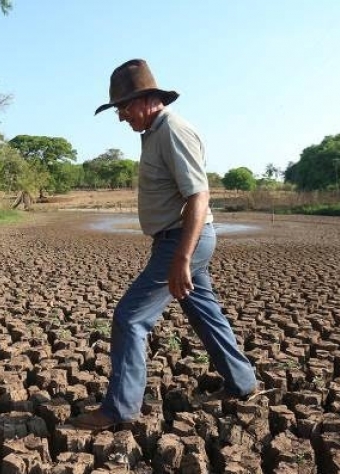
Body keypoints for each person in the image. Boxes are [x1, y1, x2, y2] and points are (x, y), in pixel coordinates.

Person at [69, 59, 259, 430]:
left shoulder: (172, 129)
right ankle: (242, 383)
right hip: (174, 240)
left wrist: (182, 257)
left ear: (147, 100)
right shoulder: (154, 132)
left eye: (123, 107)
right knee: (204, 312)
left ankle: (118, 411)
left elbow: (199, 196)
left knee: (130, 317)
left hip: (183, 239)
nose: (121, 117)